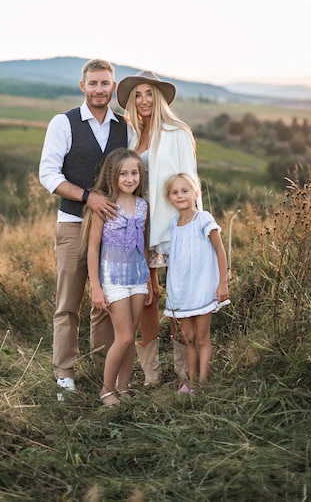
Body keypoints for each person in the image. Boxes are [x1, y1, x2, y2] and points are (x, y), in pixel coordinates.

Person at [39, 58, 130, 399]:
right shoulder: (63, 123)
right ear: (83, 87)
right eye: (93, 83)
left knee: (107, 302)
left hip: (114, 230)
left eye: (105, 83)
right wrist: (88, 198)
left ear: (113, 87)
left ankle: (103, 371)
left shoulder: (125, 127)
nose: (99, 90)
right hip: (74, 224)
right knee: (68, 303)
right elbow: (48, 175)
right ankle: (64, 375)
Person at [116, 70, 202, 386]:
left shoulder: (177, 132)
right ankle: (151, 373)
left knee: (179, 296)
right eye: (137, 95)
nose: (143, 100)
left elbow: (190, 184)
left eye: (149, 93)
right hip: (140, 228)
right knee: (149, 298)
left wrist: (193, 227)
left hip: (174, 228)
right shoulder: (131, 137)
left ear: (159, 97)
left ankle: (184, 370)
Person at [82, 148, 151, 405]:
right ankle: (107, 389)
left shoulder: (143, 206)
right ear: (113, 176)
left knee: (131, 338)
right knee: (122, 337)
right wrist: (96, 288)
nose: (130, 178)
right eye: (124, 174)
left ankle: (124, 387)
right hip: (113, 277)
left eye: (134, 173)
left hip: (138, 276)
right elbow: (92, 248)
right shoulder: (105, 206)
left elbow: (142, 244)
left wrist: (150, 281)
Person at [164, 172, 230, 393]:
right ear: (169, 198)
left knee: (202, 338)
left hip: (202, 289)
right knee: (188, 338)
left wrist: (223, 283)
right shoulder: (174, 225)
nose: (180, 195)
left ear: (196, 193)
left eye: (185, 190)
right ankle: (190, 384)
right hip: (183, 292)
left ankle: (203, 384)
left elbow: (220, 251)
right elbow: (176, 262)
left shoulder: (203, 219)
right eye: (175, 192)